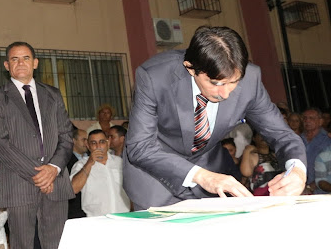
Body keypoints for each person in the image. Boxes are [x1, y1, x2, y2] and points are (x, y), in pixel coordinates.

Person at [123, 26, 306, 210]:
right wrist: (202, 176)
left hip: (210, 172)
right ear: (191, 68)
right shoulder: (155, 76)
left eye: (233, 82)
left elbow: (281, 134)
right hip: (155, 176)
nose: (225, 94)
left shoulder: (251, 80)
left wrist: (297, 170)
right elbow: (140, 146)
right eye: (216, 83)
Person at [0, 41, 74, 249]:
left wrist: (53, 169)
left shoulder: (53, 95)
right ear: (7, 65)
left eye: (25, 58)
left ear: (35, 63)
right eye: (14, 59)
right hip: (19, 183)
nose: (20, 63)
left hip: (56, 182)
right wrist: (39, 175)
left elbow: (66, 136)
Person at [70, 130, 130, 216]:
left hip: (123, 216)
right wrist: (89, 163)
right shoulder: (81, 164)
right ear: (88, 145)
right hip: (96, 219)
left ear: (108, 143)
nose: (98, 146)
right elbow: (73, 189)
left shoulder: (119, 162)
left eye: (102, 142)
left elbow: (131, 188)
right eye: (94, 143)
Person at [240, 131, 281, 196]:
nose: (263, 137)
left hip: (277, 193)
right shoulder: (252, 156)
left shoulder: (276, 155)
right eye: (260, 135)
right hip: (259, 196)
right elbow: (246, 173)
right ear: (254, 138)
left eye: (265, 135)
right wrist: (247, 151)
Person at [300, 107, 331, 194]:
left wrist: (310, 187)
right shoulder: (298, 140)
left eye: (311, 118)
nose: (307, 121)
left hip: (323, 190)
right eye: (305, 118)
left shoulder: (327, 140)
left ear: (320, 121)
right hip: (299, 189)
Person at [67, 128, 87, 219]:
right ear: (74, 141)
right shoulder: (66, 160)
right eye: (83, 139)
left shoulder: (91, 157)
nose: (86, 142)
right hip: (74, 207)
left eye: (87, 139)